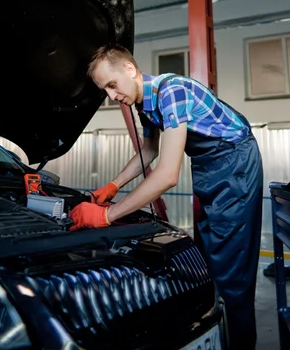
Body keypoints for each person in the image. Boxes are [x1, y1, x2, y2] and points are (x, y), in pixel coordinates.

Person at [70, 44, 263, 350]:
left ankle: (241, 343)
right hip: (209, 166)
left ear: (130, 70)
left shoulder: (173, 91)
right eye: (104, 89)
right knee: (210, 255)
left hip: (235, 162)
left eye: (111, 85)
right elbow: (149, 150)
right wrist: (113, 185)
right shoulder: (144, 103)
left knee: (233, 269)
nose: (111, 96)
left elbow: (167, 174)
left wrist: (107, 215)